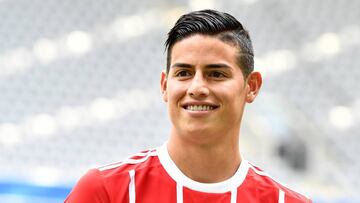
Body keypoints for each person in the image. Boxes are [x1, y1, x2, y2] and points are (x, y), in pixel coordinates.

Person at [65, 9, 311, 203]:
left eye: (216, 74)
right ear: (164, 85)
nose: (197, 88)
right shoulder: (106, 191)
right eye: (183, 73)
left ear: (252, 86)